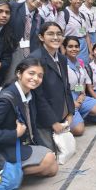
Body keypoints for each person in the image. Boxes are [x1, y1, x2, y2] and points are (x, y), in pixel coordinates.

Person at [0, 58, 58, 177]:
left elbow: (32, 127)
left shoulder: (29, 93)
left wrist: (41, 147)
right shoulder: (6, 100)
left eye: (40, 75)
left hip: (19, 143)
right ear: (19, 73)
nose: (36, 79)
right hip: (1, 147)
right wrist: (15, 134)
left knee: (52, 168)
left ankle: (13, 172)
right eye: (31, 73)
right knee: (48, 159)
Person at [29, 22, 75, 151]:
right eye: (50, 34)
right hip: (43, 119)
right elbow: (37, 96)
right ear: (41, 37)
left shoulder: (62, 58)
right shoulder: (35, 59)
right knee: (50, 156)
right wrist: (53, 122)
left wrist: (70, 112)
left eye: (59, 34)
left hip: (59, 113)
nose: (56, 37)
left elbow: (66, 86)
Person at [63, 36, 96, 136]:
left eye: (76, 46)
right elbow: (59, 88)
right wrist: (71, 102)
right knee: (79, 130)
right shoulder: (62, 64)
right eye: (70, 46)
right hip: (67, 99)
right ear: (65, 48)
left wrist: (82, 94)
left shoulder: (80, 62)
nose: (74, 49)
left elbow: (83, 80)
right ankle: (68, 117)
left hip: (80, 95)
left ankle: (79, 116)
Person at [5, 0, 46, 84]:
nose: (38, 0)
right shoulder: (13, 7)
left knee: (23, 80)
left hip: (28, 53)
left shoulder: (40, 19)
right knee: (9, 80)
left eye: (42, 0)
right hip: (11, 50)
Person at [64, 0, 92, 64]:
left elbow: (85, 34)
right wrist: (63, 52)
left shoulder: (82, 15)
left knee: (84, 69)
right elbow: (61, 35)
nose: (78, 1)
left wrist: (91, 52)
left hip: (83, 47)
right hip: (70, 46)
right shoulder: (64, 14)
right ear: (70, 0)